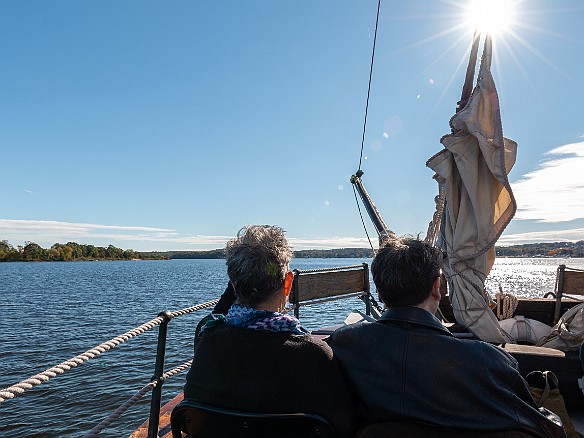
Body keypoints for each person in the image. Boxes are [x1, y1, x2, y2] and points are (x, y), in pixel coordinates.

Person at [328, 236, 566, 438]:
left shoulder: (343, 346)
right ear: (436, 287)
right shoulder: (490, 361)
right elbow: (537, 426)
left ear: (379, 292)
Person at [183, 225, 356, 437]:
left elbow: (214, 317)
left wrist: (240, 279)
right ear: (288, 283)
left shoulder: (207, 338)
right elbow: (343, 426)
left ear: (234, 284)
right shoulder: (313, 354)